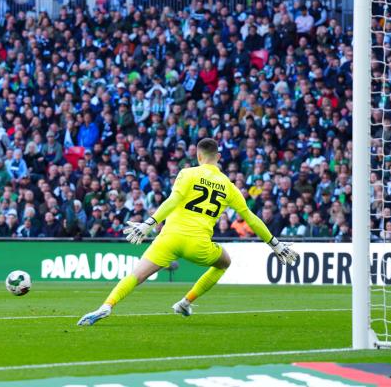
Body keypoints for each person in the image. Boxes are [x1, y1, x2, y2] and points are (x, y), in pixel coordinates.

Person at [77, 138, 299, 325]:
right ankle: (185, 302)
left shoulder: (188, 173)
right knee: (224, 263)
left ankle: (106, 306)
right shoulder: (229, 186)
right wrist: (275, 244)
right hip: (198, 243)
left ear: (198, 157)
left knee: (137, 275)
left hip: (170, 237)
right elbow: (251, 218)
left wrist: (149, 223)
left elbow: (174, 200)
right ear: (218, 157)